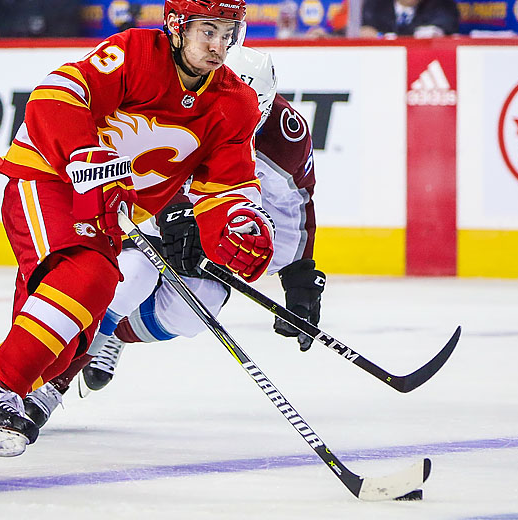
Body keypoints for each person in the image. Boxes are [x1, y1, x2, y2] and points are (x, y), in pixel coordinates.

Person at [0, 0, 274, 478]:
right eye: (207, 30)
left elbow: (227, 188)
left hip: (104, 214)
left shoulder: (235, 103)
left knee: (61, 351)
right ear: (177, 25)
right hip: (48, 180)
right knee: (92, 276)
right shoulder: (135, 53)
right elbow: (55, 95)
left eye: (228, 32)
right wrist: (89, 160)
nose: (219, 45)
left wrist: (240, 226)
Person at [19, 46, 324, 419]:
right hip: (135, 205)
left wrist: (298, 276)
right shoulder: (170, 92)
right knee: (129, 278)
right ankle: (52, 383)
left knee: (194, 310)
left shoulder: (285, 135)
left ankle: (112, 330)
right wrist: (168, 209)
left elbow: (293, 203)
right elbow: (122, 152)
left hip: (208, 220)